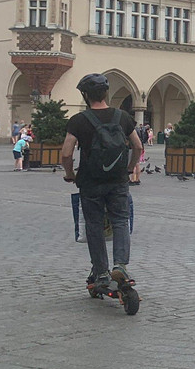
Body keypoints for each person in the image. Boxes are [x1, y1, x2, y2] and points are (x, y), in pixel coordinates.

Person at [61, 73, 144, 293]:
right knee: (120, 220)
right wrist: (129, 168)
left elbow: (66, 153)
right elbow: (137, 146)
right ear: (105, 93)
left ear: (86, 95)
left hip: (90, 182)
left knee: (94, 225)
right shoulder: (122, 117)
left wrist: (70, 174)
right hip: (118, 180)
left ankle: (101, 272)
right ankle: (121, 265)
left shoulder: (79, 120)